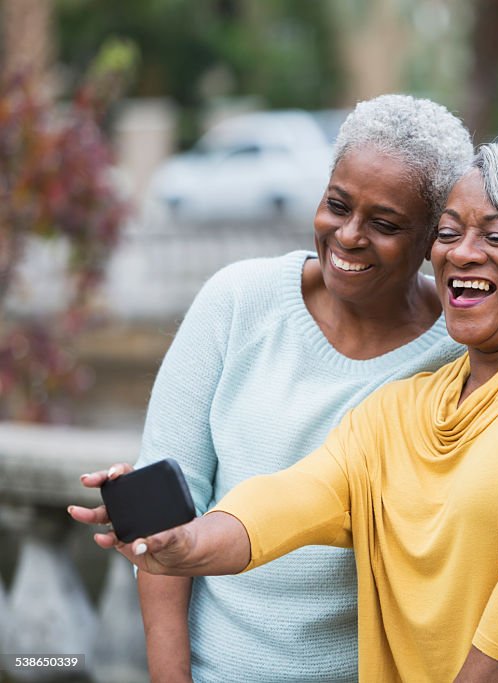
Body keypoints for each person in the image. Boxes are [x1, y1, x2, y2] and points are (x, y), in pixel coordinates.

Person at [75, 134, 498, 682]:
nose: (463, 254)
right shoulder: (400, 407)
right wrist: (188, 542)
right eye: (447, 233)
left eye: (497, 236)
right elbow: (293, 496)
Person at [70, 94, 473, 682]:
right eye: (337, 205)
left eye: (384, 224)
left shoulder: (460, 350)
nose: (349, 236)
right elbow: (169, 517)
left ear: (436, 235)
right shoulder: (237, 301)